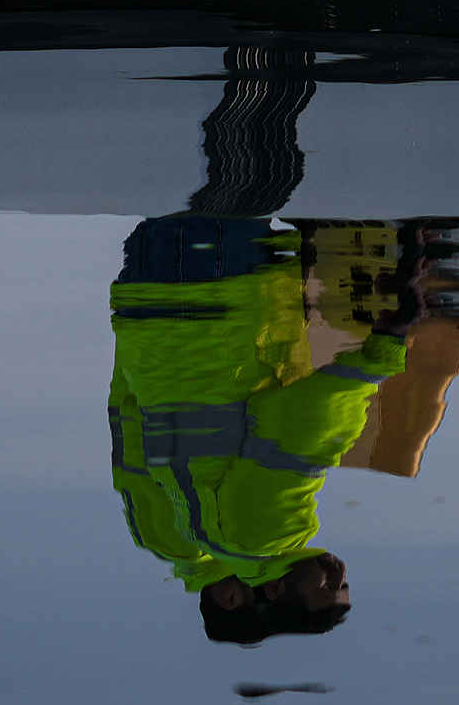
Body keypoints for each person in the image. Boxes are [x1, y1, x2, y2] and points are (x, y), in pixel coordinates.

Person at [105, 215, 414, 642]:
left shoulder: (260, 539)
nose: (338, 573)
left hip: (218, 300)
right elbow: (128, 416)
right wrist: (135, 333)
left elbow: (302, 425)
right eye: (343, 586)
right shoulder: (194, 536)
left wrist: (384, 351)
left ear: (267, 589)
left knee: (240, 160)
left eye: (328, 588)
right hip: (156, 307)